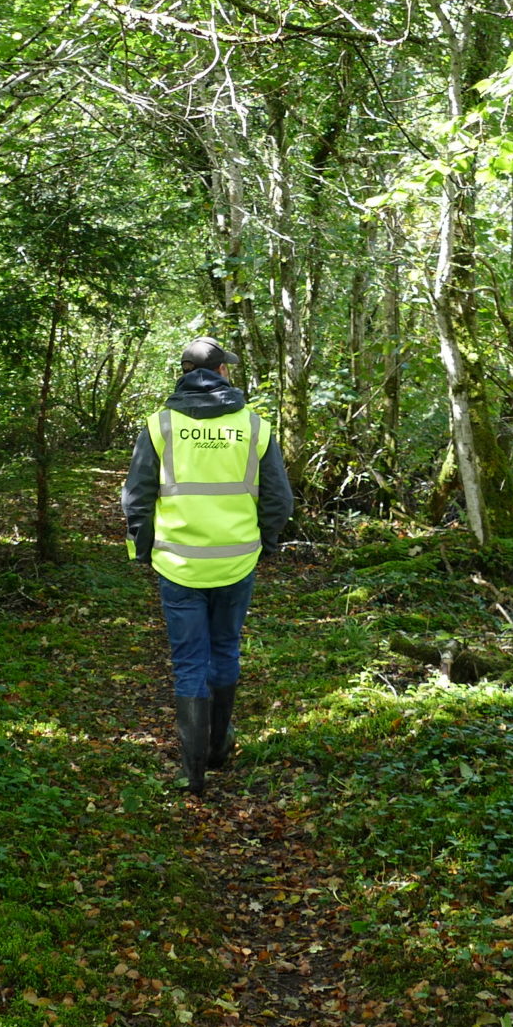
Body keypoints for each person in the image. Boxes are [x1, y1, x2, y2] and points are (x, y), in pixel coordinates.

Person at [119, 337, 294, 796]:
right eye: (228, 368)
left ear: (183, 373)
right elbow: (279, 499)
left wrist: (142, 548)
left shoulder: (160, 426)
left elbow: (137, 499)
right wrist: (266, 542)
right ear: (219, 372)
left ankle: (193, 773)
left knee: (189, 661)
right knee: (225, 650)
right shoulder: (254, 426)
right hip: (237, 561)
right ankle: (217, 749)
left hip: (178, 565)